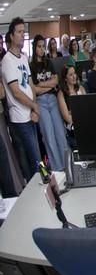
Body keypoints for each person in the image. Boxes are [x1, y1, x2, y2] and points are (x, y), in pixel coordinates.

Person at [2, 17, 41, 181]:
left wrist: (34, 107)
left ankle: (40, 188)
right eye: (19, 32)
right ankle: (36, 192)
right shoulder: (7, 61)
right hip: (19, 118)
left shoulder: (24, 57)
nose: (22, 35)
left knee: (35, 158)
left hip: (30, 114)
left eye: (23, 32)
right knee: (32, 160)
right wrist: (34, 106)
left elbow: (31, 85)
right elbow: (16, 92)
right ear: (11, 36)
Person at [29, 35, 70, 171]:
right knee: (49, 137)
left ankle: (68, 166)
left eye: (42, 46)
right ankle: (57, 169)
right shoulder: (31, 66)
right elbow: (34, 89)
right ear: (34, 47)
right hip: (40, 102)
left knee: (60, 134)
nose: (41, 49)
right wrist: (48, 85)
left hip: (52, 100)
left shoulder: (49, 62)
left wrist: (42, 84)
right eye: (38, 46)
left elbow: (56, 81)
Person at [57, 64, 86, 149]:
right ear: (65, 78)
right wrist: (78, 112)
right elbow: (67, 117)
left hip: (85, 123)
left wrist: (72, 111)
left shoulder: (81, 88)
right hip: (73, 128)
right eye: (70, 75)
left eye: (74, 73)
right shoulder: (61, 94)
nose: (74, 76)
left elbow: (87, 109)